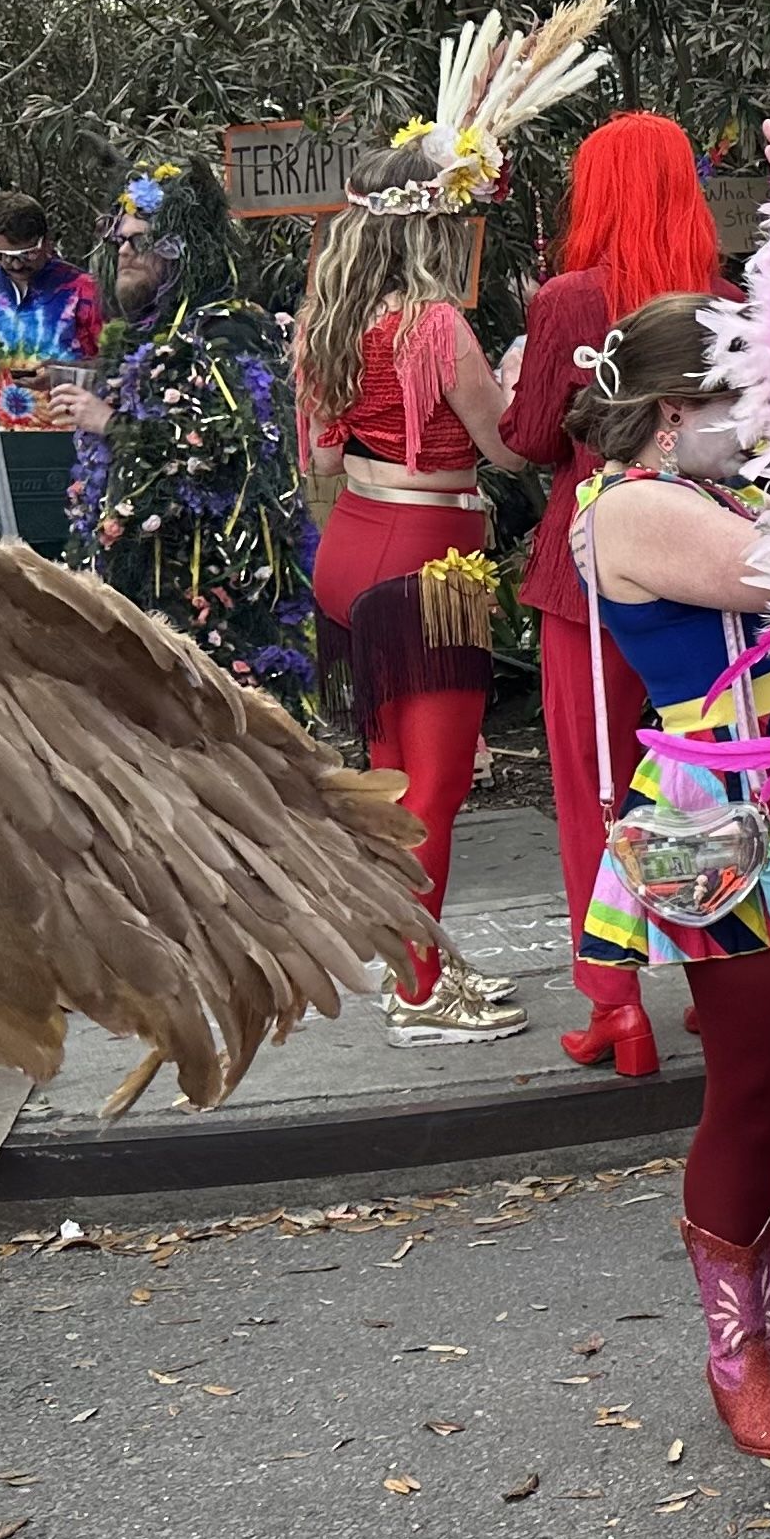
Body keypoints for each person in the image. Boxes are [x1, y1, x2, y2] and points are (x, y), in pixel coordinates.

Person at [564, 294, 770, 1461]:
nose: (760, 414)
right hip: (731, 827)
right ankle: (738, 1352)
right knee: (754, 1091)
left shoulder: (719, 487)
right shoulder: (631, 509)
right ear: (670, 413)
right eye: (740, 395)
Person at [501, 112, 728, 1077]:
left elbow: (535, 439)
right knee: (706, 771)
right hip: (702, 560)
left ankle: (613, 1004)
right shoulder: (719, 299)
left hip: (588, 566)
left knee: (592, 783)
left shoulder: (567, 299)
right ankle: (719, 984)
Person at [295, 154, 534, 1044]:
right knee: (436, 782)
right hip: (428, 555)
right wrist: (521, 384)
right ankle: (422, 993)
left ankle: (411, 955)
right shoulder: (435, 324)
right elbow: (507, 449)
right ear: (432, 228)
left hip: (352, 543)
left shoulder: (326, 320)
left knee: (392, 779)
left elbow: (317, 462)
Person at [49, 162, 316, 722]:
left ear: (185, 249)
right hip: (143, 600)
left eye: (145, 240)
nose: (125, 251)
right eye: (118, 239)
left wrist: (111, 423)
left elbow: (231, 451)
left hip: (215, 607)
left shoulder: (227, 329)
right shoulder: (137, 337)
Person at [0, 189, 104, 425]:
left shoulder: (83, 290)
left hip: (70, 435)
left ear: (46, 241)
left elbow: (117, 365)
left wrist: (63, 373)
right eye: (2, 255)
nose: (14, 264)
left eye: (27, 254)